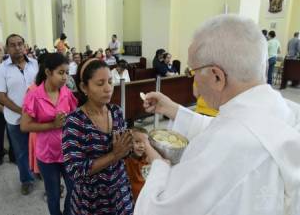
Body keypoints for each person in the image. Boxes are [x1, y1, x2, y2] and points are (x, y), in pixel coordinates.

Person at [135, 14, 300, 215]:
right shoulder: (285, 109)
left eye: (192, 72)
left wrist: (159, 166)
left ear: (217, 76)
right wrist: (174, 110)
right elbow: (236, 128)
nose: (194, 85)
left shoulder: (225, 146)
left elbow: (156, 209)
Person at [62, 58, 134, 215]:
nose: (108, 88)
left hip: (119, 192)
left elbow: (125, 150)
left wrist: (133, 146)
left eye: (110, 81)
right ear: (84, 87)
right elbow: (75, 170)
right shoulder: (75, 121)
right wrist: (114, 155)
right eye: (100, 84)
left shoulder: (116, 112)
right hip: (91, 200)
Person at [21, 53, 77, 215]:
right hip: (47, 155)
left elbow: (74, 116)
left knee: (74, 189)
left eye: (67, 72)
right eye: (60, 72)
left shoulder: (66, 92)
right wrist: (53, 124)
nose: (65, 77)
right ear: (48, 72)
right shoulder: (34, 95)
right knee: (53, 194)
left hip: (67, 151)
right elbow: (25, 126)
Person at [0, 34, 38, 195]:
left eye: (20, 44)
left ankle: (39, 171)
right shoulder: (1, 69)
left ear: (25, 45)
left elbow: (41, 87)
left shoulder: (34, 64)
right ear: (7, 48)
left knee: (38, 147)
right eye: (13, 45)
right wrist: (23, 111)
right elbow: (1, 96)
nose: (17, 47)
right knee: (21, 151)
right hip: (15, 118)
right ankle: (26, 179)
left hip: (37, 117)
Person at [123, 127, 149, 202]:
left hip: (145, 199)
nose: (142, 146)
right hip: (131, 202)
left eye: (145, 142)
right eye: (137, 142)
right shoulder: (125, 160)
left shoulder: (148, 159)